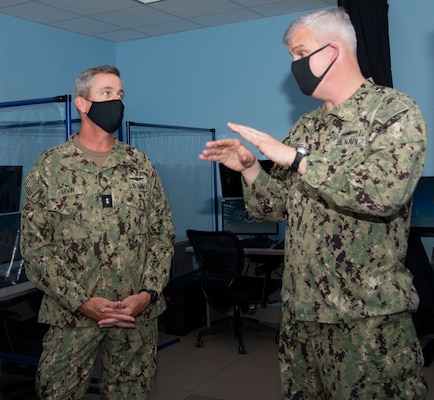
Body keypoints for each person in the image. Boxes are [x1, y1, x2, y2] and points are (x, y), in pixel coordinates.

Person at [199, 8, 428, 399]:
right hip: (302, 314)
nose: (295, 65)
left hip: (365, 319)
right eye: (291, 56)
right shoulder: (307, 127)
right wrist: (251, 168)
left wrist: (298, 159)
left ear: (333, 51)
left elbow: (385, 195)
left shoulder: (393, 112)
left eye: (300, 52)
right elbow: (275, 207)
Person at [20, 65, 175, 399]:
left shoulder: (139, 165)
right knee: (56, 391)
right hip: (71, 315)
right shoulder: (51, 167)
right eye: (106, 93)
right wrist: (81, 301)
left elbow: (162, 235)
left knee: (131, 393)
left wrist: (147, 294)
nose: (116, 102)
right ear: (82, 103)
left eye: (120, 95)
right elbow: (36, 248)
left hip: (135, 314)